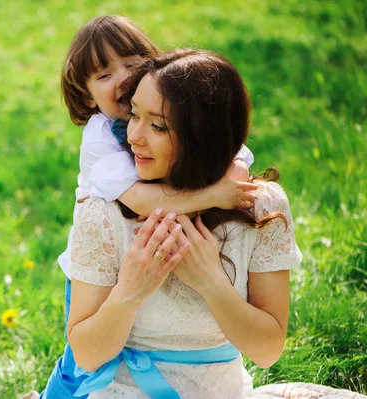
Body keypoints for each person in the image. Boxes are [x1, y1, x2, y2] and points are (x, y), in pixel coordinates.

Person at [28, 17, 258, 399]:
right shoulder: (100, 138)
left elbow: (236, 156)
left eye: (132, 62)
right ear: (87, 97)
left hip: (151, 251)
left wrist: (230, 172)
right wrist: (216, 194)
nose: (122, 78)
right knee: (85, 362)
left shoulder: (178, 111)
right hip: (97, 267)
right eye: (103, 75)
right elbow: (139, 200)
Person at [66, 49, 303, 398]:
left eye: (157, 125)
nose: (133, 136)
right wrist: (130, 290)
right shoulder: (103, 212)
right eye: (133, 115)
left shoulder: (260, 203)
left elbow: (267, 351)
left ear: (203, 135)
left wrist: (211, 282)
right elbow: (85, 356)